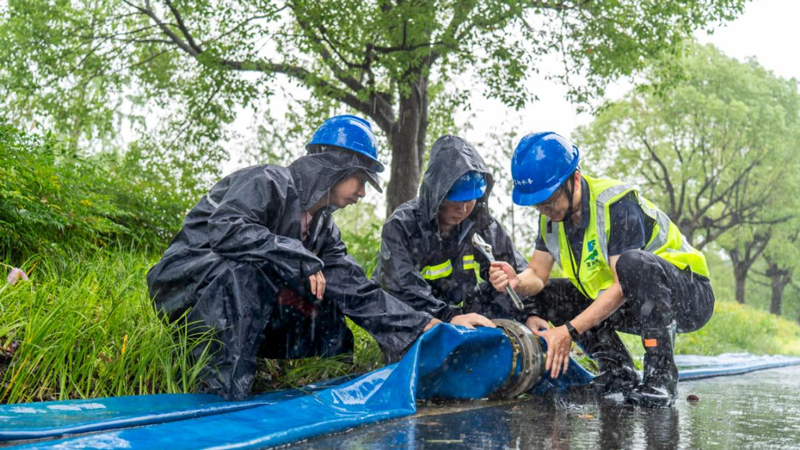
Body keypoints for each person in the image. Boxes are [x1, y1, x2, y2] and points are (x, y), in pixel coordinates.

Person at [147, 115, 440, 400]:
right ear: (335, 167)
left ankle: (301, 378)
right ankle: (216, 389)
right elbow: (226, 230)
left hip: (238, 291)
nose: (362, 193)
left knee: (327, 296)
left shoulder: (324, 228)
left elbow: (355, 288)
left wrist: (421, 323)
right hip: (185, 282)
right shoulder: (268, 180)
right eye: (360, 180)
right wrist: (298, 256)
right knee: (243, 269)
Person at [489, 132, 714, 407]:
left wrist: (568, 331)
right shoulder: (551, 220)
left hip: (688, 297)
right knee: (550, 294)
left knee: (633, 263)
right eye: (537, 204)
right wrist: (516, 280)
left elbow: (622, 284)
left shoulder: (614, 203)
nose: (544, 210)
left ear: (573, 179)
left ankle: (660, 379)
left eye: (548, 201)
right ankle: (617, 372)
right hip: (637, 302)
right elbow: (536, 275)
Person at [373, 135, 530, 361]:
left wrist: (530, 311)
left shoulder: (481, 223)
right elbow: (403, 287)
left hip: (459, 308)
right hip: (415, 312)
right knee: (404, 325)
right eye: (456, 201)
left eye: (471, 199)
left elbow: (517, 270)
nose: (463, 209)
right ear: (438, 195)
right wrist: (447, 316)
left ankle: (506, 351)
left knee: (505, 287)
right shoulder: (402, 225)